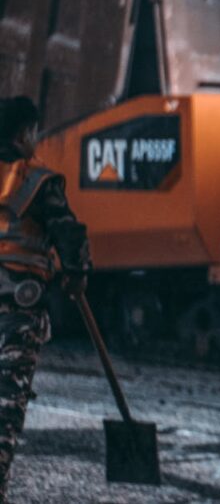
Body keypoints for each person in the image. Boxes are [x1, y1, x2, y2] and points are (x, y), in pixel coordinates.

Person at [0, 96, 90, 501]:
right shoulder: (36, 180)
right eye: (34, 132)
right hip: (17, 312)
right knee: (5, 407)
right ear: (23, 134)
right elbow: (68, 234)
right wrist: (76, 275)